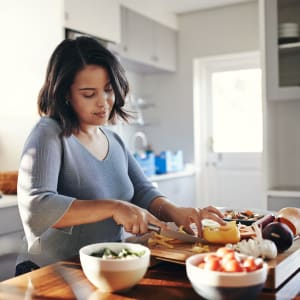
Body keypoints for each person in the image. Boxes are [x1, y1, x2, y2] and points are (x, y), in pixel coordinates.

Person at [16, 36, 225, 275]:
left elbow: (143, 191)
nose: (104, 103)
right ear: (65, 93)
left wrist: (175, 212)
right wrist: (114, 207)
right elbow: (37, 206)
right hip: (49, 271)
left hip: (101, 268)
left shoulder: (112, 139)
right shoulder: (48, 134)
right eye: (88, 94)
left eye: (108, 90)